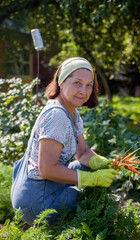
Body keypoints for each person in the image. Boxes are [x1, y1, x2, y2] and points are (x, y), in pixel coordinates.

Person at [11, 57, 118, 226]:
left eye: (89, 85)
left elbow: (82, 153)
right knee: (81, 196)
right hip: (37, 202)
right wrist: (91, 179)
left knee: (87, 166)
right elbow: (46, 169)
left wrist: (100, 162)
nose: (84, 91)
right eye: (77, 83)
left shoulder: (72, 113)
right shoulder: (57, 116)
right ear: (61, 82)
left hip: (41, 190)